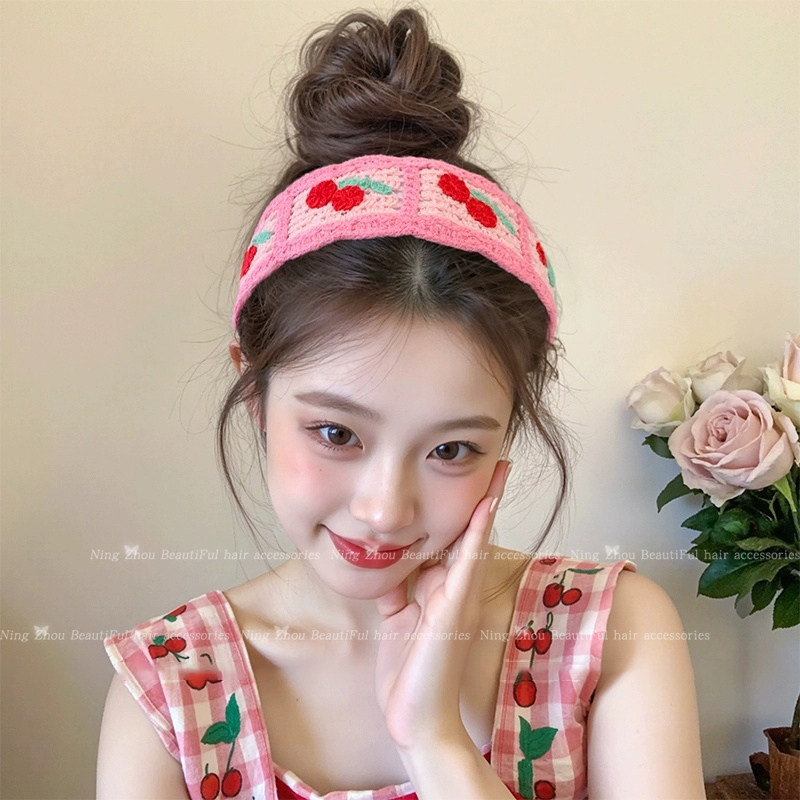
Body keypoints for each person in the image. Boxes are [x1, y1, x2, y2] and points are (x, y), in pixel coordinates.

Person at [96, 7, 706, 799]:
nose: (385, 511)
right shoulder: (171, 690)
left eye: (451, 449)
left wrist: (435, 741)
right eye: (335, 433)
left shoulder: (611, 633)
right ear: (253, 390)